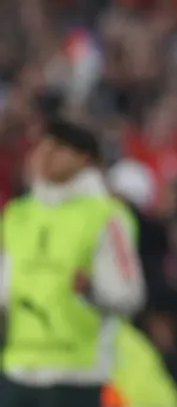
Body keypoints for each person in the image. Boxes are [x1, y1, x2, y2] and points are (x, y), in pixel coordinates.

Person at [0, 119, 145, 407]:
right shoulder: (18, 214)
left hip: (75, 374)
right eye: (43, 146)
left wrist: (91, 290)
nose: (45, 154)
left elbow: (130, 295)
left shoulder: (106, 215)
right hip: (18, 368)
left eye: (58, 147)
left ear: (84, 158)